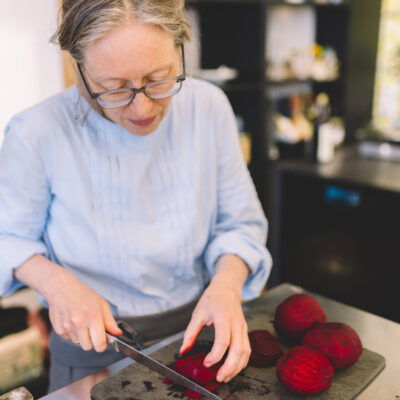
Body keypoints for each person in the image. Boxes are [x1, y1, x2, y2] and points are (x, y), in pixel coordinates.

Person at [0, 0, 272, 392]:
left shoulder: (208, 108)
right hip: (90, 350)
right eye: (114, 89)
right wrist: (57, 284)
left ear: (181, 47)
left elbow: (240, 223)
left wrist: (227, 286)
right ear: (79, 69)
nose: (142, 107)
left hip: (196, 339)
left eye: (159, 78)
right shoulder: (36, 132)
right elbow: (7, 238)